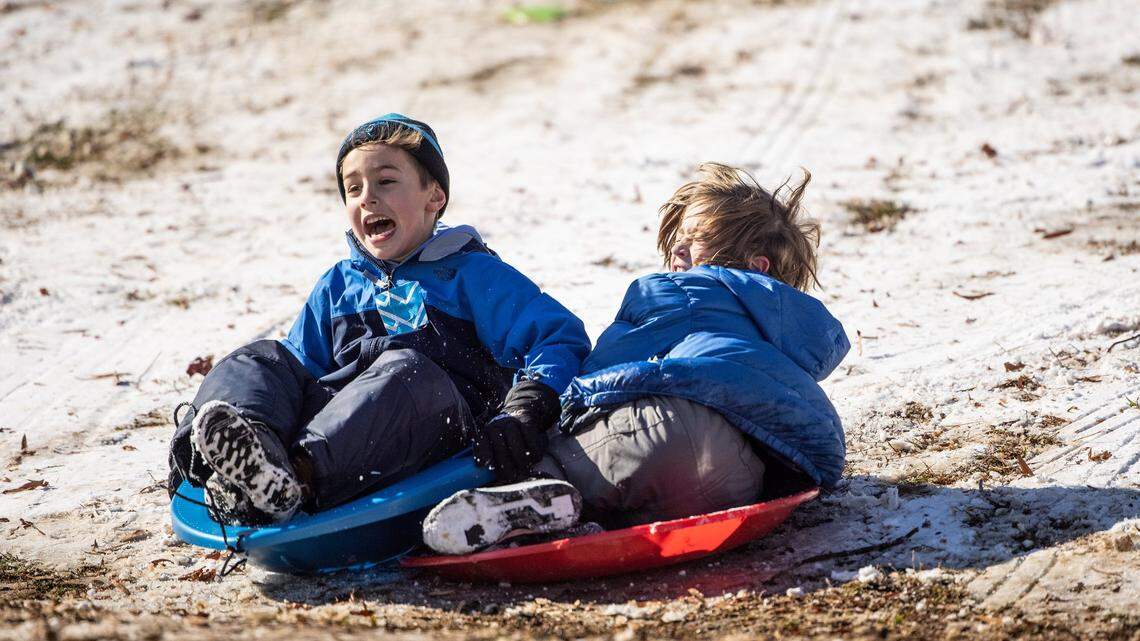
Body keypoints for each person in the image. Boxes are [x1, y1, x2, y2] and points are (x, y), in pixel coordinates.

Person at [167, 113, 591, 525]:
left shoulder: (470, 274)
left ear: (434, 198)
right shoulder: (339, 284)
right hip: (347, 431)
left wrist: (525, 408)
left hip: (438, 426)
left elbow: (557, 337)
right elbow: (300, 368)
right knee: (260, 358)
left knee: (405, 369)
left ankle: (293, 478)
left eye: (386, 181)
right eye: (353, 189)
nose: (367, 197)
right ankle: (244, 456)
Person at [423, 162, 850, 554]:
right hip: (748, 481)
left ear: (756, 268)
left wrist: (550, 415)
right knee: (641, 481)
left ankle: (526, 490)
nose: (677, 256)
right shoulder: (788, 336)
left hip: (681, 435)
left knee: (588, 444)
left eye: (695, 243)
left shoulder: (686, 290)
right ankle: (572, 516)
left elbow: (604, 372)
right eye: (675, 245)